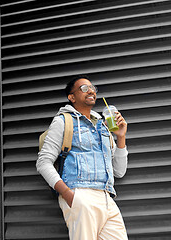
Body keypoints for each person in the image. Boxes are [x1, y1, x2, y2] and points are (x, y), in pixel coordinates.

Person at [36, 76, 128, 240]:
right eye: (84, 88)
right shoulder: (63, 121)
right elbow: (43, 162)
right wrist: (70, 196)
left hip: (107, 197)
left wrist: (121, 138)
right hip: (80, 194)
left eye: (92, 88)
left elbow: (119, 171)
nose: (91, 91)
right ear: (72, 97)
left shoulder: (103, 126)